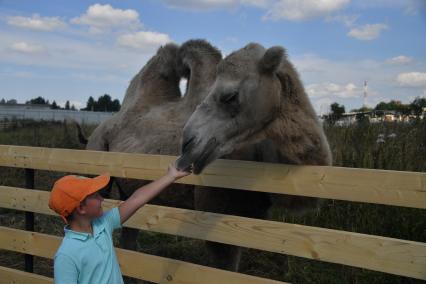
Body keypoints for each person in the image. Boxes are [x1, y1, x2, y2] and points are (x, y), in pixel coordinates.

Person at [48, 163, 191, 284]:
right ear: (80, 208)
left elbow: (136, 199)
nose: (102, 198)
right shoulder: (66, 256)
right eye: (95, 196)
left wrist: (170, 176)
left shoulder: (102, 225)